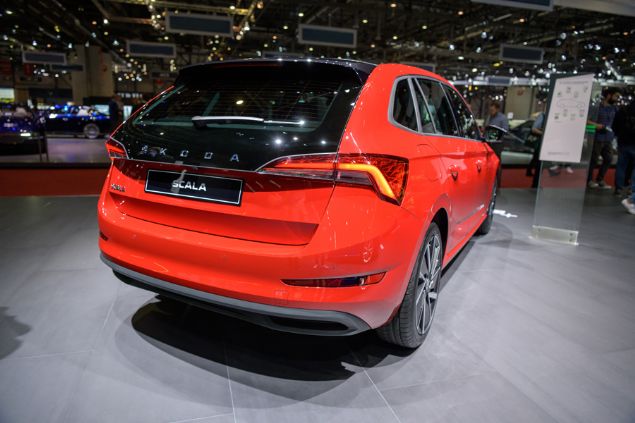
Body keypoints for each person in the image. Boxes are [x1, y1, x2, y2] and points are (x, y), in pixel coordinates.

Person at [587, 88, 621, 189]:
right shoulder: (596, 107)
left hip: (608, 139)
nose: (617, 98)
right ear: (609, 95)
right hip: (596, 137)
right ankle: (589, 180)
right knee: (593, 160)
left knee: (609, 159)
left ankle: (600, 179)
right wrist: (597, 125)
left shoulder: (615, 109)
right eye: (616, 96)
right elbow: (587, 121)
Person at [613, 99, 635, 200]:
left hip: (623, 143)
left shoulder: (622, 111)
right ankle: (632, 190)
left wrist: (619, 136)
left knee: (621, 166)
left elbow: (614, 126)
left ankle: (618, 188)